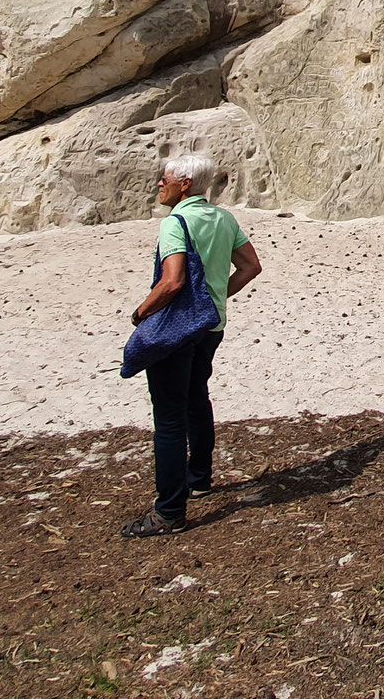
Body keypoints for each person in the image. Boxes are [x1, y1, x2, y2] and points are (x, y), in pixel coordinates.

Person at [122, 154, 262, 538]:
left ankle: (169, 512)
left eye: (163, 178)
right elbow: (251, 267)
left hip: (177, 329)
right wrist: (216, 298)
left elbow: (172, 282)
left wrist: (139, 315)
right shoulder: (225, 218)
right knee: (197, 397)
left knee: (168, 418)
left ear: (184, 184)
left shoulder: (175, 223)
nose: (159, 184)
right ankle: (199, 478)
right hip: (211, 326)